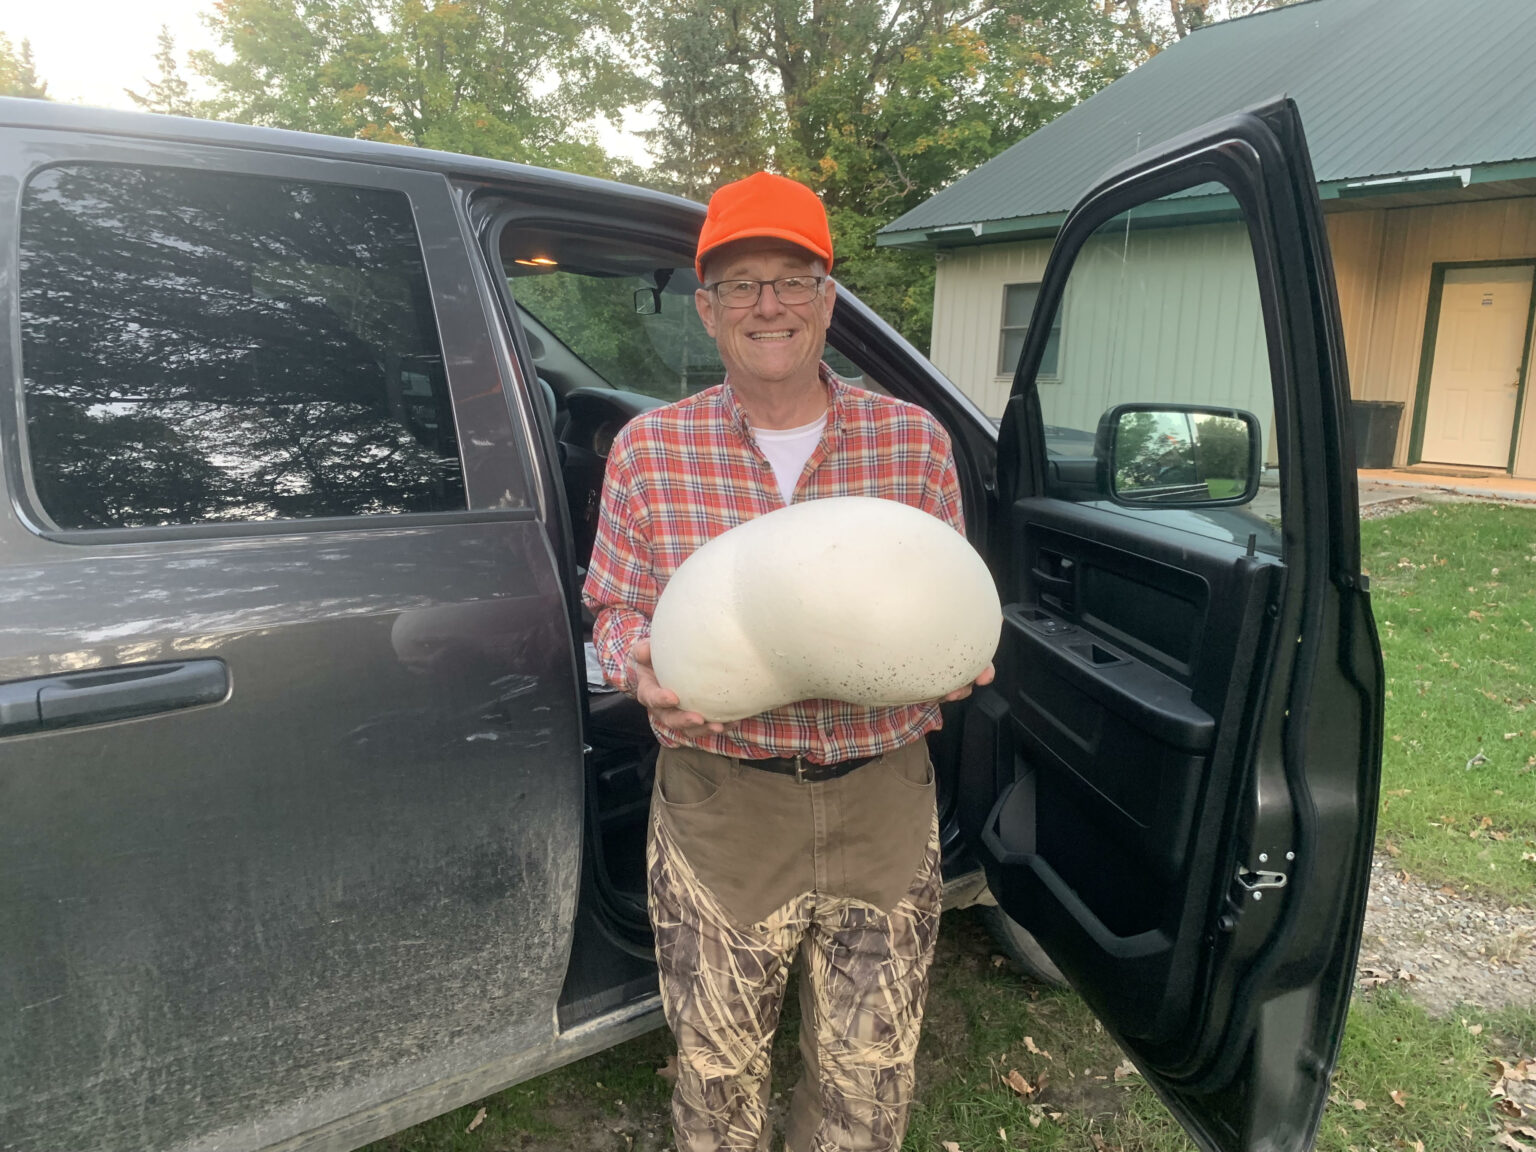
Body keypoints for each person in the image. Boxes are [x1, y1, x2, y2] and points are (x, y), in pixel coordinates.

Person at [583, 170, 993, 1152]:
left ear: (827, 299)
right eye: (740, 283)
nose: (767, 304)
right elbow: (611, 605)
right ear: (708, 309)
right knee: (717, 1076)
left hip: (883, 798)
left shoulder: (913, 445)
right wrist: (639, 667)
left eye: (790, 279)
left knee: (870, 1078)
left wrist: (954, 654)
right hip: (726, 805)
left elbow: (937, 595)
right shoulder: (648, 451)